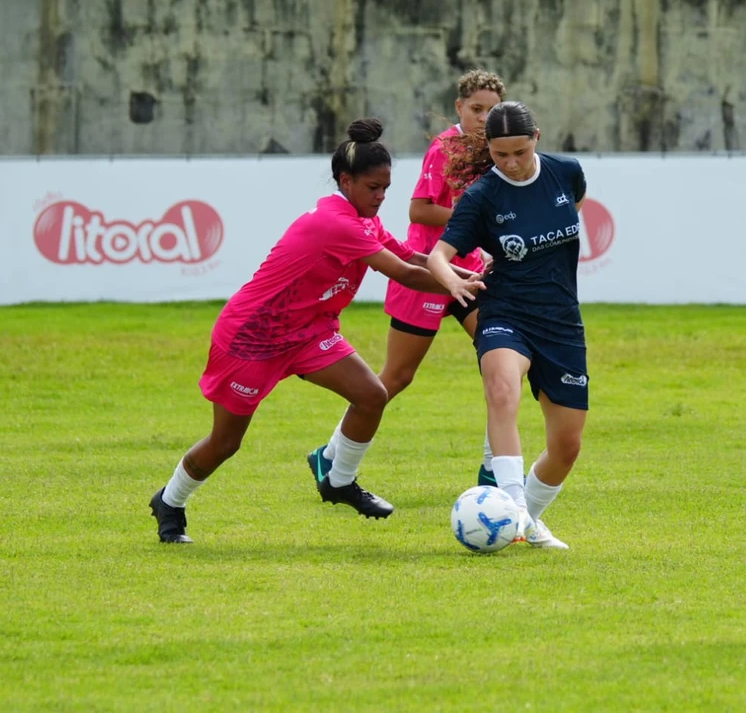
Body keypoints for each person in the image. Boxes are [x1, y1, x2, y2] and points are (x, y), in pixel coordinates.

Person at [149, 118, 485, 544]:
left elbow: (410, 255)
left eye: (386, 188)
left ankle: (338, 479)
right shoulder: (337, 223)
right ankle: (171, 501)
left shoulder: (362, 218)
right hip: (253, 338)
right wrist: (460, 283)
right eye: (373, 188)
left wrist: (464, 270)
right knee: (226, 442)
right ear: (346, 181)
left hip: (308, 332)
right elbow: (402, 272)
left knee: (371, 395)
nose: (382, 197)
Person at [306, 70, 506, 491]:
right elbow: (419, 211)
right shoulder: (445, 147)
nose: (483, 118)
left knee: (503, 360)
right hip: (429, 268)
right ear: (459, 108)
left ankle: (495, 469)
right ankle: (330, 454)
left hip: (466, 269)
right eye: (476, 109)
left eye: (491, 111)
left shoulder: (495, 151)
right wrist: (477, 220)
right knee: (396, 377)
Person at [427, 101, 588, 551]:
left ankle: (523, 523)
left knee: (567, 446)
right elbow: (440, 255)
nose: (512, 164)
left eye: (520, 152)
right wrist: (453, 283)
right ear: (489, 150)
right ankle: (513, 508)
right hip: (505, 312)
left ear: (537, 137)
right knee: (501, 389)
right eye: (501, 155)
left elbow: (572, 206)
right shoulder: (483, 196)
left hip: (561, 319)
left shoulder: (566, 172)